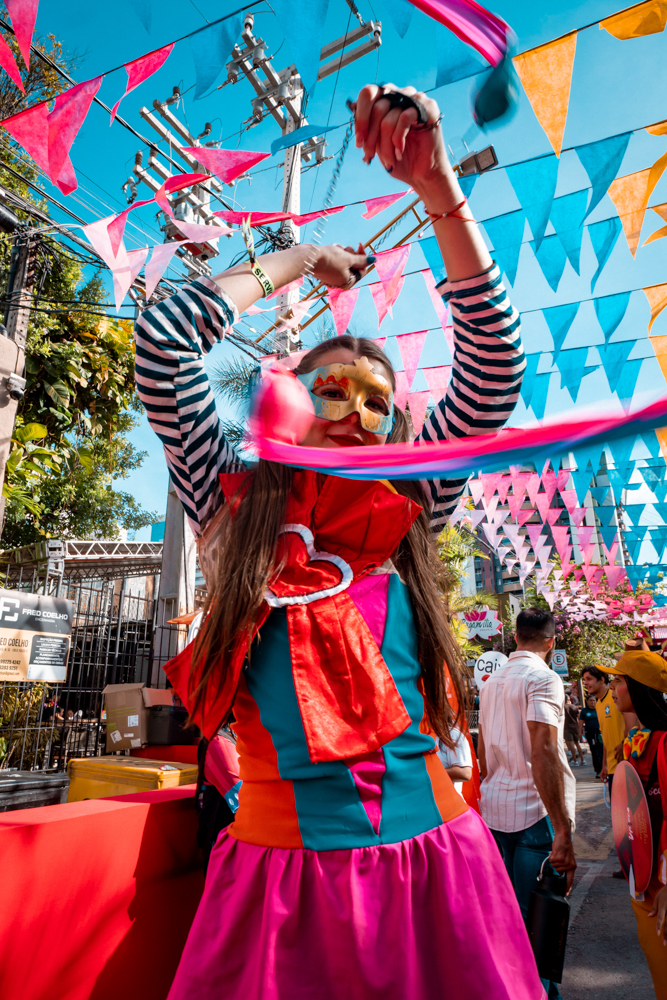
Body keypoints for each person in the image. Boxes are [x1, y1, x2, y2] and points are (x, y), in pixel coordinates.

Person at [135, 82, 544, 1000]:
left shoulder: (409, 506)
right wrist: (297, 257)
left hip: (435, 874)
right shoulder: (231, 508)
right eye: (333, 390)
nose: (357, 409)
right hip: (279, 897)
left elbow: (492, 372)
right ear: (288, 405)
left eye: (375, 397)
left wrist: (437, 188)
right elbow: (163, 343)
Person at [478, 607, 576, 1000]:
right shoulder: (544, 678)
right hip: (535, 814)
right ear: (552, 643)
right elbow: (545, 751)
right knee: (541, 922)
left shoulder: (491, 683)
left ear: (515, 638)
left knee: (507, 921)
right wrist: (564, 828)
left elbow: (483, 753)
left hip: (495, 811)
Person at [598, 641, 667, 1000]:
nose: (612, 687)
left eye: (619, 681)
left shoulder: (665, 743)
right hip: (644, 883)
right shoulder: (637, 741)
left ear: (639, 687)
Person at [581, 665, 626, 793]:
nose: (585, 683)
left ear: (601, 679)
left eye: (589, 679)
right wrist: (604, 765)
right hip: (611, 768)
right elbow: (605, 736)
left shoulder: (616, 697)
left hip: (625, 765)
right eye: (584, 680)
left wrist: (624, 743)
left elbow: (634, 725)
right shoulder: (599, 704)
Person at [437, 725, 473, 797]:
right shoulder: (415, 737)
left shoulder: (452, 735)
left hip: (446, 803)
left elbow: (465, 773)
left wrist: (426, 774)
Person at [579, 694, 604, 777]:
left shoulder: (599, 708)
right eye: (591, 700)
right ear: (587, 701)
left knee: (601, 751)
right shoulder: (584, 711)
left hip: (600, 733)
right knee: (594, 752)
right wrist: (580, 732)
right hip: (590, 734)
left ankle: (603, 769)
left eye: (594, 700)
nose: (593, 702)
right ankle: (598, 770)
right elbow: (581, 722)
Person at [564, 696, 584, 767]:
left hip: (567, 728)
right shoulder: (574, 707)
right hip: (575, 727)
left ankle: (575, 761)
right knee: (577, 744)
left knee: (571, 744)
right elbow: (579, 717)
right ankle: (582, 760)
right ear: (568, 699)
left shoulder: (563, 708)